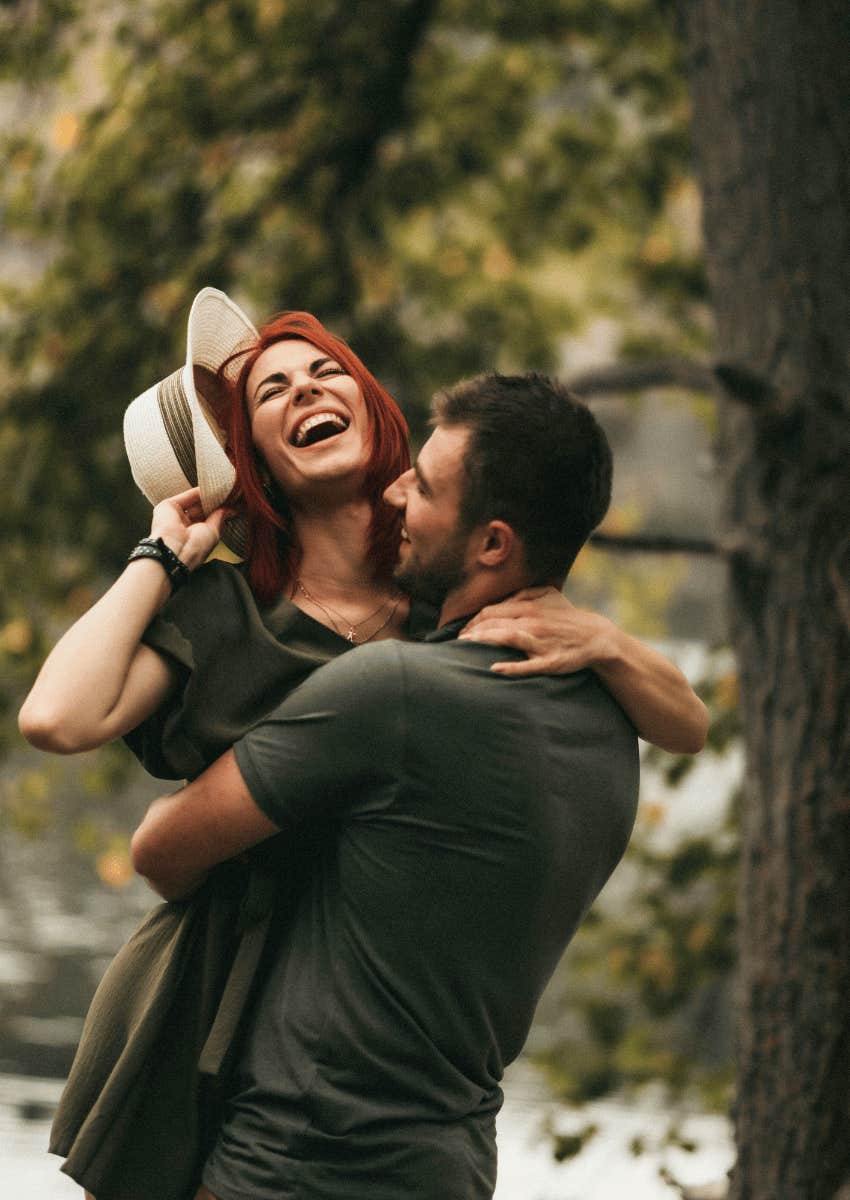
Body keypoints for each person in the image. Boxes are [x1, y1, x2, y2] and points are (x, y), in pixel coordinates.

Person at [19, 292, 706, 1200]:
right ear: (250, 459)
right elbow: (57, 720)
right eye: (271, 393)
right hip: (212, 986)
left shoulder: (450, 590)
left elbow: (687, 724)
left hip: (357, 1017)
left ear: (375, 414)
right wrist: (163, 556)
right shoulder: (232, 616)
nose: (305, 392)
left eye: (324, 371)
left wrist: (610, 642)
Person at [130, 370, 642, 1200]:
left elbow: (160, 851)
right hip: (452, 1167)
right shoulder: (614, 729)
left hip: (294, 1165)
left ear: (492, 546)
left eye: (428, 487)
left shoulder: (392, 693)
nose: (397, 490)